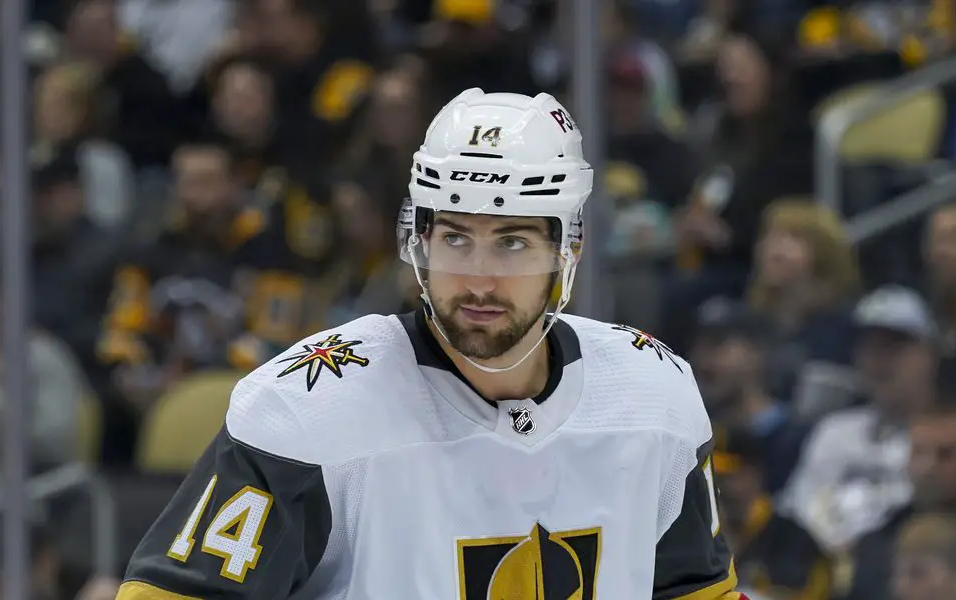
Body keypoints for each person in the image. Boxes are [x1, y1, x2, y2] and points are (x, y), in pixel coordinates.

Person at [116, 89, 741, 598]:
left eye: (514, 242)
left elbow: (699, 593)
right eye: (456, 238)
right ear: (419, 241)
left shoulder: (653, 394)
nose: (479, 278)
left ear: (568, 251)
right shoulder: (309, 406)